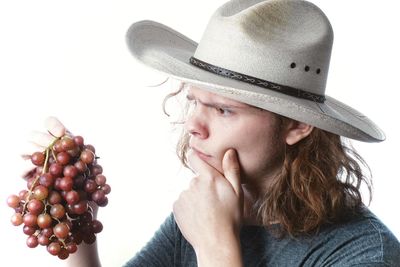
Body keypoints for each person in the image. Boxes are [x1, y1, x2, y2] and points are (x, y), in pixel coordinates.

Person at [28, 0, 400, 266]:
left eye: (224, 109)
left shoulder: (362, 253)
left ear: (297, 125)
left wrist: (216, 245)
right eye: (195, 101)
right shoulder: (204, 210)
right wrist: (77, 229)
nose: (194, 125)